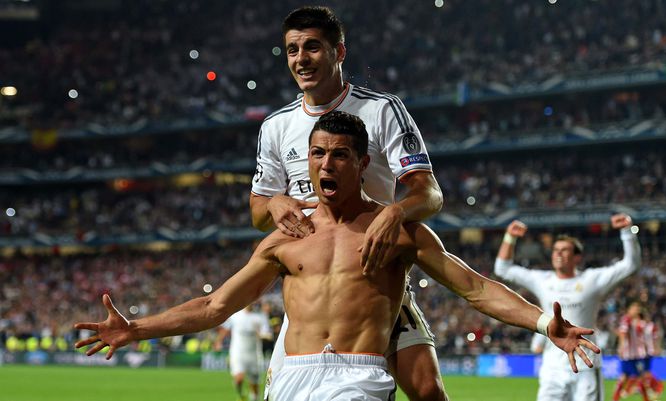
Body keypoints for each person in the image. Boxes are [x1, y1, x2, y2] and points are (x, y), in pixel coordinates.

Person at [76, 111, 599, 400]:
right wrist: (137, 329)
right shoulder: (286, 237)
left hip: (357, 376)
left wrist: (540, 324)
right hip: (292, 377)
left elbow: (475, 287)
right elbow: (217, 307)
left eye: (340, 155)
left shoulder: (395, 230)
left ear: (362, 162)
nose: (326, 163)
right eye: (317, 153)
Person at [249, 6, 445, 401]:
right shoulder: (276, 126)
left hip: (377, 276)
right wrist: (274, 204)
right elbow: (257, 211)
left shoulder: (382, 110)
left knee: (428, 392)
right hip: (316, 287)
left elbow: (429, 193)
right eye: (292, 50)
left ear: (339, 52)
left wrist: (394, 211)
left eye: (312, 47)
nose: (301, 59)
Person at [495, 215, 641, 401]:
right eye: (556, 250)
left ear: (577, 257)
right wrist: (509, 237)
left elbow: (631, 264)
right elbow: (502, 268)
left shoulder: (592, 280)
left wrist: (627, 231)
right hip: (552, 369)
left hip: (586, 366)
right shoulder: (542, 281)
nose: (558, 254)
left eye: (565, 250)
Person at [213, 304, 273, 401]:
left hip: (254, 353)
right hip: (238, 352)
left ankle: (254, 398)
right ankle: (241, 395)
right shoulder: (235, 316)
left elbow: (268, 335)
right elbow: (225, 329)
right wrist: (218, 341)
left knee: (254, 382)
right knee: (239, 378)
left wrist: (261, 334)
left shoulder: (260, 317)